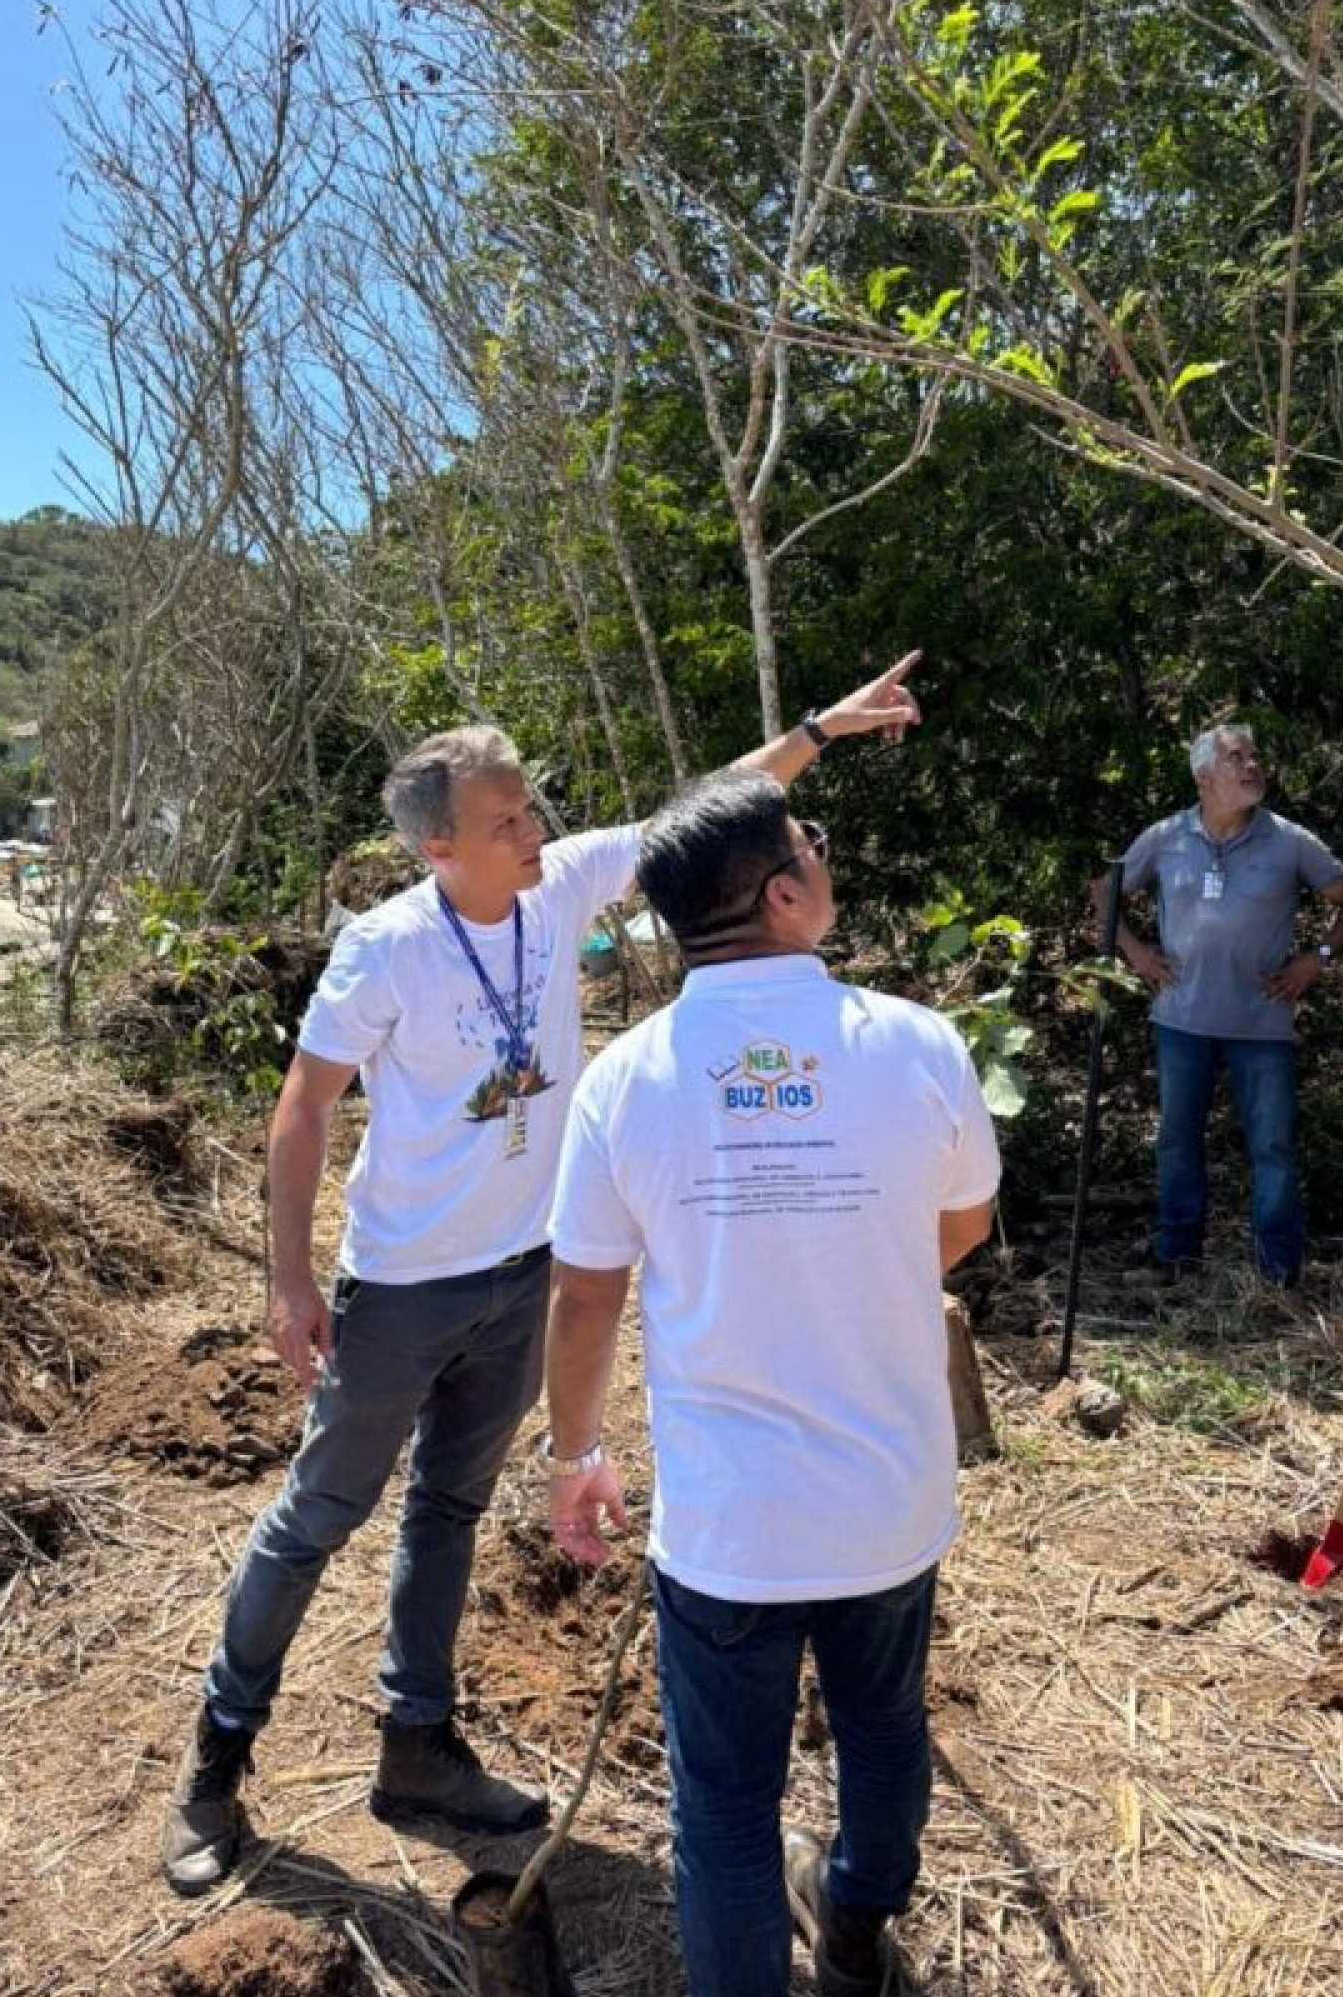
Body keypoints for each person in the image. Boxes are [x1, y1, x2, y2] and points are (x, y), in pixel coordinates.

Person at [159, 659, 926, 1900]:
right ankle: (216, 1761)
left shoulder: (560, 888)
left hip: (521, 1279)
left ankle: (417, 1746)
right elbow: (301, 1111)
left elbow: (708, 807)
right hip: (403, 1285)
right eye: (509, 819)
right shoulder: (386, 949)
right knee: (318, 1517)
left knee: (450, 1513)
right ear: (436, 846)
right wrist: (288, 1280)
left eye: (533, 809)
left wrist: (821, 731)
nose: (538, 832)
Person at [541, 770, 999, 1997]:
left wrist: (578, 1451)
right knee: (883, 1720)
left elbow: (583, 1292)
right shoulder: (915, 1044)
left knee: (727, 1819)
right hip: (887, 1500)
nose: (821, 855)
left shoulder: (627, 1082)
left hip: (732, 1527)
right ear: (784, 895)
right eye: (811, 841)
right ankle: (858, 1917)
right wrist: (847, 1265)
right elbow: (964, 1222)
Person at [1099, 722, 1343, 1289]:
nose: (1253, 766)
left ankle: (1278, 1274)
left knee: (1271, 1147)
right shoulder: (1168, 837)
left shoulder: (1289, 842)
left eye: (1255, 756)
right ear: (1205, 778)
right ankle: (1176, 1257)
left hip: (1261, 1024)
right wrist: (1136, 952)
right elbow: (1105, 892)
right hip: (1181, 1020)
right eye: (1236, 758)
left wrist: (1316, 958)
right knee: (1177, 1139)